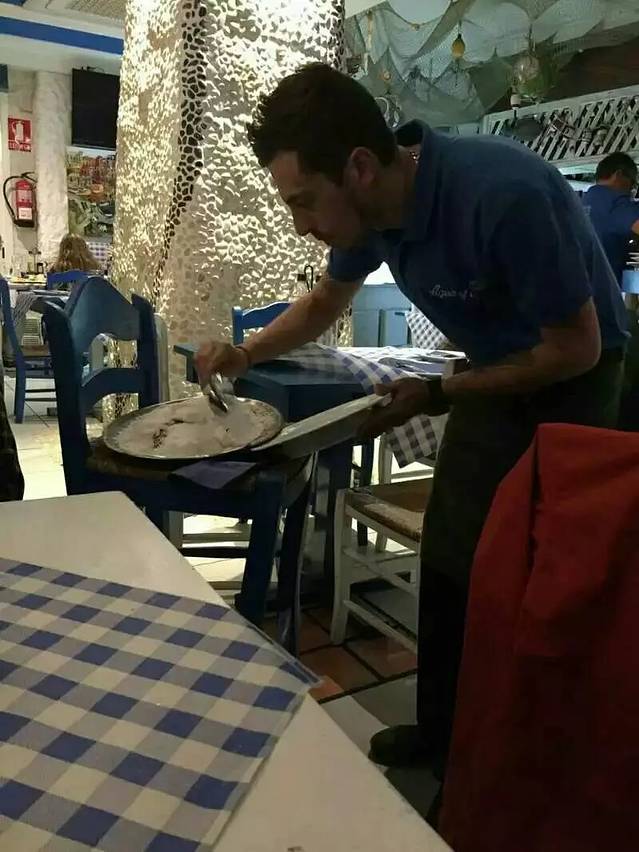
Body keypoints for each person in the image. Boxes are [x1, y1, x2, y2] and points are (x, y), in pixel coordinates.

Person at [195, 64, 627, 798]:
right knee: (451, 557)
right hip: (494, 368)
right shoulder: (376, 211)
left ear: (360, 168)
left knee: (537, 575)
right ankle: (442, 733)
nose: (300, 224)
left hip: (579, 382)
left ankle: (519, 767)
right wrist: (245, 352)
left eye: (304, 202)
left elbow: (575, 349)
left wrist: (437, 392)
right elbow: (325, 300)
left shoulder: (503, 192)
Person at [583, 151, 639, 284]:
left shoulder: (585, 200)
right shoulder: (614, 201)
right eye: (632, 183)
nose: (632, 189)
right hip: (603, 287)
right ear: (618, 174)